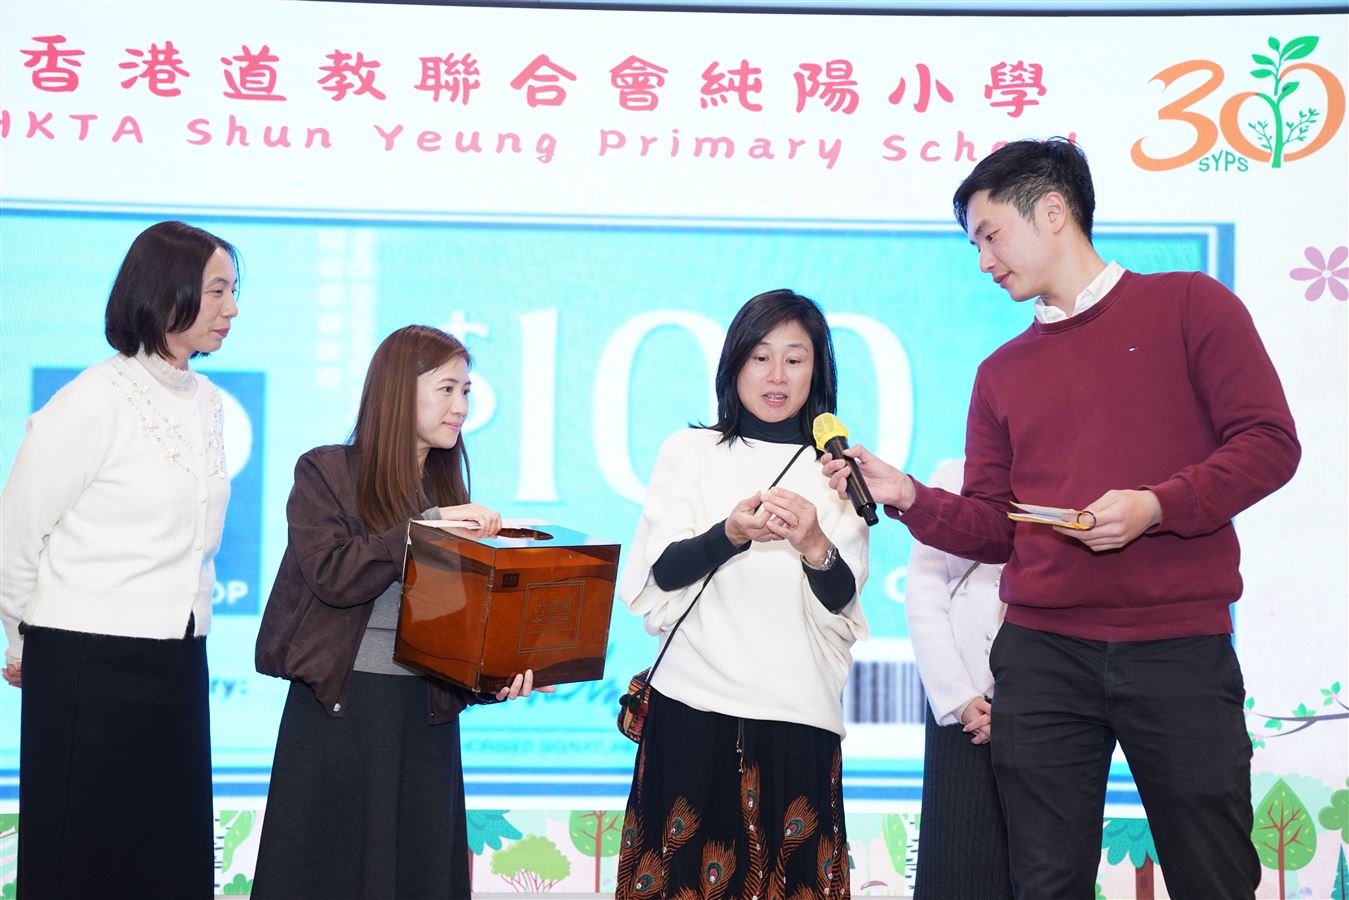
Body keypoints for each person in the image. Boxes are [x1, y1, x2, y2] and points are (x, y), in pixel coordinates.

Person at [823, 137, 1299, 899]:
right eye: (974, 245)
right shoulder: (1000, 372)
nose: (983, 261)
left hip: (1177, 645)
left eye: (989, 236)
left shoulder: (1190, 305)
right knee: (1044, 882)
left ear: (1051, 211)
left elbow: (1268, 444)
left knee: (1212, 874)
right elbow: (992, 527)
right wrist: (907, 494)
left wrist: (1155, 506)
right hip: (1041, 655)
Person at [251, 324, 546, 900]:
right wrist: (424, 530)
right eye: (447, 389)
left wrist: (496, 676)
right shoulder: (327, 472)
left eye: (467, 391)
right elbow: (333, 575)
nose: (461, 407)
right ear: (397, 391)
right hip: (342, 718)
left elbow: (453, 630)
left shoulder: (445, 492)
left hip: (424, 722)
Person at [1, 221, 240, 898]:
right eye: (217, 291)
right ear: (167, 292)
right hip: (84, 662)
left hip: (178, 660)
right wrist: (24, 641)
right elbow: (15, 534)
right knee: (82, 861)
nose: (231, 308)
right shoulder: (91, 399)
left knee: (167, 858)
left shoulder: (209, 401)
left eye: (233, 292)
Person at [614, 289, 869, 899]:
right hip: (690, 708)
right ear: (734, 365)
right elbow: (662, 571)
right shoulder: (690, 452)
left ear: (818, 371)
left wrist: (814, 543)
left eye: (794, 359)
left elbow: (843, 597)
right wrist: (728, 534)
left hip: (797, 714)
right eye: (760, 357)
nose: (777, 376)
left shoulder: (838, 471)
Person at [906, 458, 1012, 900]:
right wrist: (961, 699)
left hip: (1045, 712)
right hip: (962, 711)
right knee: (955, 868)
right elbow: (924, 596)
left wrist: (1021, 707)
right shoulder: (953, 475)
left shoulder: (1069, 477)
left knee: (1043, 870)